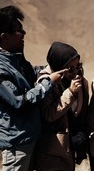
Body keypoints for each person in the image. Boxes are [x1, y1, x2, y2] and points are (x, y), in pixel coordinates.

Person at [0, 5, 64, 171]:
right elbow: (19, 102)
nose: (24, 33)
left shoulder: (13, 58)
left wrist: (50, 70)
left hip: (27, 135)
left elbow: (29, 74)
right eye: (19, 30)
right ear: (5, 37)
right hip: (15, 141)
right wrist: (49, 82)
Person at [34, 41, 89, 170]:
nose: (75, 72)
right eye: (70, 69)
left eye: (78, 66)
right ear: (59, 67)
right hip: (52, 151)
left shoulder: (76, 80)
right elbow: (49, 114)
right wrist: (70, 93)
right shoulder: (46, 82)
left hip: (67, 149)